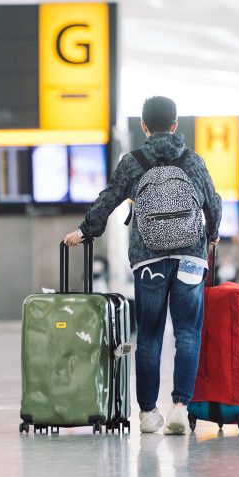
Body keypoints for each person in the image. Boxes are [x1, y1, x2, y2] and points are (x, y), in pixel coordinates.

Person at [64, 96, 222, 435]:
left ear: (144, 126)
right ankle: (180, 406)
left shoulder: (133, 161)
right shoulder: (193, 161)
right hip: (191, 257)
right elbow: (214, 203)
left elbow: (108, 199)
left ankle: (148, 414)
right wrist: (212, 236)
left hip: (148, 256)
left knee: (149, 335)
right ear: (176, 125)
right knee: (188, 333)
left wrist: (84, 231)